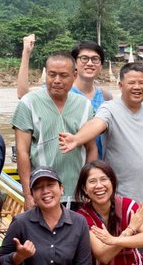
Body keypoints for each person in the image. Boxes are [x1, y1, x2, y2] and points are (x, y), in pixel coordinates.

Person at [58, 62, 143, 265]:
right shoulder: (110, 108)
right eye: (132, 82)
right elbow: (97, 125)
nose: (137, 87)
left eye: (142, 83)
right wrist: (77, 139)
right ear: (120, 85)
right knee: (118, 241)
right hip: (119, 195)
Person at [12, 51, 95, 207]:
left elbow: (91, 149)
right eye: (52, 75)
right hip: (43, 194)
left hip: (78, 194)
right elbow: (22, 151)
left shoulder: (85, 105)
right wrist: (28, 194)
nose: (57, 80)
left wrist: (88, 186)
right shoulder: (28, 103)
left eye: (63, 75)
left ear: (74, 75)